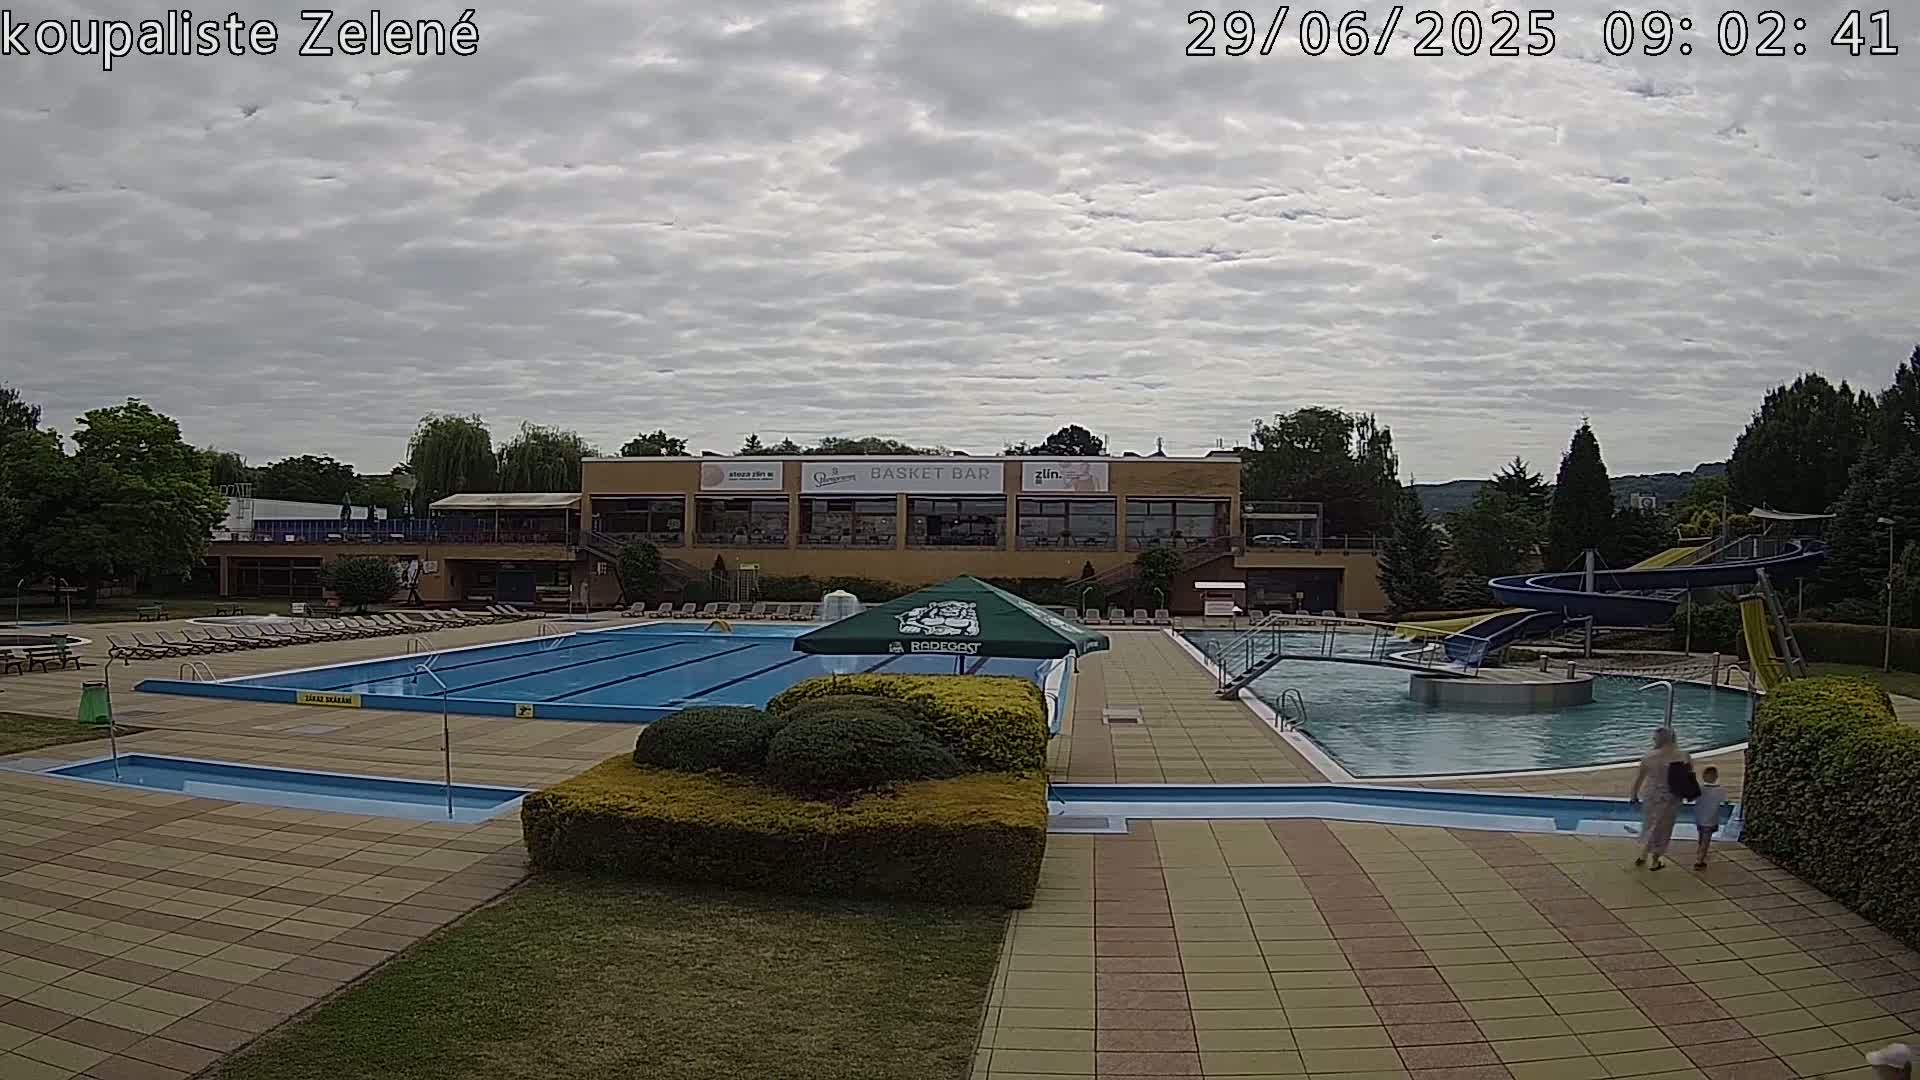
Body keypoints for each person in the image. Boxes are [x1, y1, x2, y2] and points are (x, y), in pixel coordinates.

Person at [1629, 727, 1691, 871]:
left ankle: (1643, 854)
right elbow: (1688, 778)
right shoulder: (1683, 756)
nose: (1653, 740)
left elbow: (1639, 778)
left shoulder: (1649, 756)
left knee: (1650, 824)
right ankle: (1655, 860)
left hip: (1651, 795)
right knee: (1663, 829)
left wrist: (1633, 794)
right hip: (1671, 796)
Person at [1692, 766, 1726, 869]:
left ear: (1703, 777)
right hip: (1711, 819)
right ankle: (1700, 860)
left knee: (1701, 836)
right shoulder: (1720, 790)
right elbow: (1723, 801)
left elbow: (1692, 798)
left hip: (1700, 817)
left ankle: (1700, 851)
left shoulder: (1699, 788)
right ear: (1716, 777)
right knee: (1706, 839)